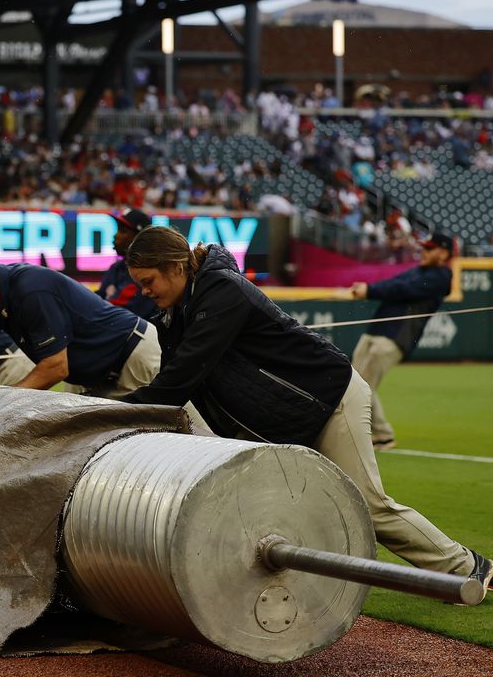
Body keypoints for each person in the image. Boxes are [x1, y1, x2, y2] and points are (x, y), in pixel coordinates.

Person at [118, 225, 491, 592]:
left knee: (370, 506)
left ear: (177, 268)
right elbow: (172, 380)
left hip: (329, 398)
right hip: (286, 414)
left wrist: (108, 411)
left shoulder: (221, 291)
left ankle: (470, 568)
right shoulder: (176, 310)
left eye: (148, 280)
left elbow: (177, 381)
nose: (144, 290)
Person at [0, 246, 160, 395]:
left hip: (132, 358)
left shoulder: (30, 290)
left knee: (178, 442)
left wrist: (3, 402)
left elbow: (55, 368)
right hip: (96, 374)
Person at [349, 233, 455, 450]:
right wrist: (368, 288)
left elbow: (403, 289)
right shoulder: (419, 271)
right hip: (377, 329)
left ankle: (382, 435)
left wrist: (369, 290)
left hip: (396, 337)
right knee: (353, 384)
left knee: (363, 387)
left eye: (430, 248)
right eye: (424, 247)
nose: (424, 252)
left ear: (444, 253)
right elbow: (394, 283)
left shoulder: (442, 276)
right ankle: (377, 434)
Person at [96, 208, 158, 318]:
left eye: (123, 231)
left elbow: (113, 315)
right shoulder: (115, 267)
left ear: (139, 238)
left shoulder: (145, 273)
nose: (116, 235)